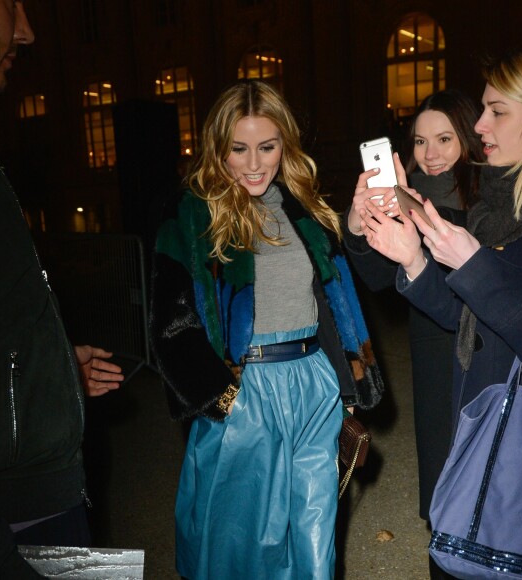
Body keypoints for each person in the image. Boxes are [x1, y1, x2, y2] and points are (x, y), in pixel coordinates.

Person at [150, 79, 384, 579]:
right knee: (243, 547)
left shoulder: (303, 208)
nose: (254, 163)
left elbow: (336, 302)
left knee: (314, 537)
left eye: (267, 146)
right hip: (245, 391)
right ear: (218, 149)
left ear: (285, 145)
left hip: (313, 385)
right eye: (239, 148)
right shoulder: (194, 213)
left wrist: (345, 381)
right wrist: (219, 394)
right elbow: (172, 320)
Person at [352, 35, 522, 570]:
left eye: (495, 111)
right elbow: (468, 316)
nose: (482, 127)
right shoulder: (502, 202)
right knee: (458, 532)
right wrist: (410, 256)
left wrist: (470, 264)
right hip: (476, 403)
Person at [0, 2, 124, 577]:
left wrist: (54, 370)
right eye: (10, 3)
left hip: (40, 489)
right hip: (15, 511)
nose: (27, 29)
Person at [344, 89, 484, 576]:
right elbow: (378, 278)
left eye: (445, 138)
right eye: (421, 140)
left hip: (488, 355)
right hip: (434, 356)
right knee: (444, 484)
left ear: (469, 136)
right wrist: (359, 224)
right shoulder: (409, 197)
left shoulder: (494, 196)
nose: (431, 152)